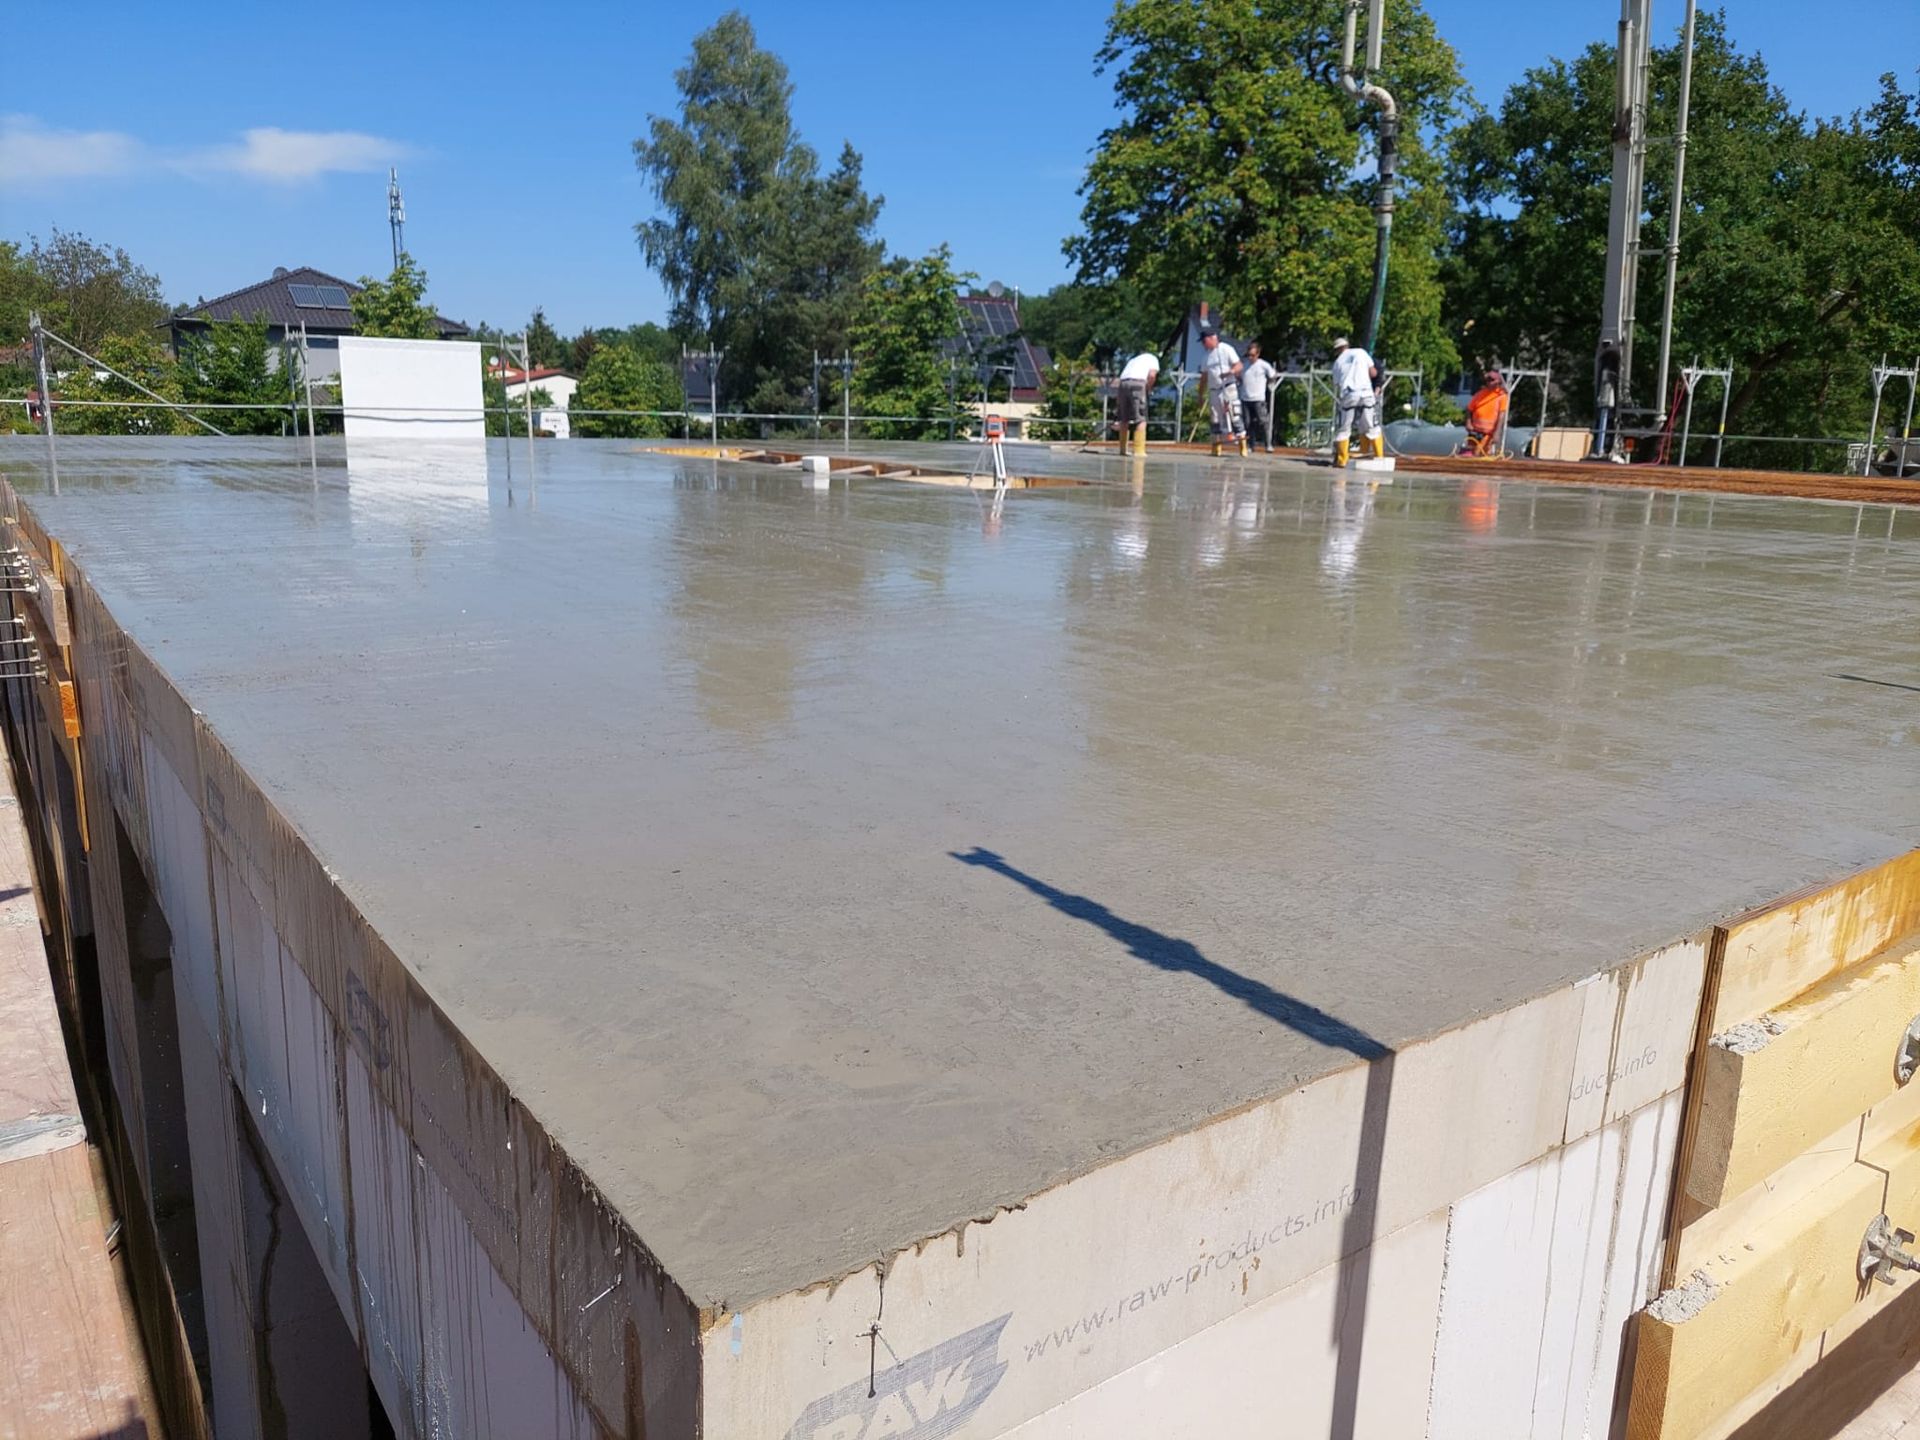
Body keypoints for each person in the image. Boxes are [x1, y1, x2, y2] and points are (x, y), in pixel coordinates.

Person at [1330, 336, 1383, 466]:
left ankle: (1342, 461)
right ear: (1347, 345)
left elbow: (1337, 383)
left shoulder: (1337, 363)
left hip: (1349, 394)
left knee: (1344, 428)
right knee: (1372, 426)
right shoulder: (1361, 352)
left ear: (1337, 350)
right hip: (1366, 393)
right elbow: (1373, 373)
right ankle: (1379, 457)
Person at [1199, 326, 1247, 457]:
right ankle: (1216, 447)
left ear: (1211, 339)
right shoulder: (1206, 357)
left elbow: (1239, 365)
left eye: (1204, 341)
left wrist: (1230, 372)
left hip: (1228, 387)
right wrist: (1200, 394)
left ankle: (1243, 446)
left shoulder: (1226, 349)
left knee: (1234, 414)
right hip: (1214, 390)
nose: (1203, 345)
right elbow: (1203, 377)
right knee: (1215, 418)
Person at [1116, 350, 1159, 456]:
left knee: (1124, 418)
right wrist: (1148, 388)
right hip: (1138, 383)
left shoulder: (1133, 360)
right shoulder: (1152, 358)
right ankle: (1139, 451)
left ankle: (1123, 450)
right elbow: (1152, 376)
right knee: (1141, 418)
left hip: (1123, 383)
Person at [1462, 368, 1509, 457]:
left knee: (1481, 454)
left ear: (1498, 381)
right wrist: (1468, 422)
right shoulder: (1480, 394)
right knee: (1469, 454)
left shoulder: (1501, 396)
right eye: (1488, 380)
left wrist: (1497, 432)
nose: (1489, 382)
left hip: (1488, 433)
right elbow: (1469, 409)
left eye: (1492, 380)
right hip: (1475, 431)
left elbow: (1501, 415)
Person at [1240, 343, 1278, 453]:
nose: (1250, 358)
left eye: (1252, 355)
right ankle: (1251, 445)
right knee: (1248, 423)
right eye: (1249, 355)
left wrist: (1269, 382)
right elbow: (1241, 378)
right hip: (1245, 398)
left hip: (1258, 398)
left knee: (1263, 421)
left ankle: (1268, 444)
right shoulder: (1245, 365)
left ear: (1258, 354)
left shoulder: (1263, 365)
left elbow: (1272, 374)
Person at [1593, 343, 1621, 461]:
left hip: (1609, 399)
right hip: (1604, 399)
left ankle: (1605, 446)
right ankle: (1599, 448)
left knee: (1608, 415)